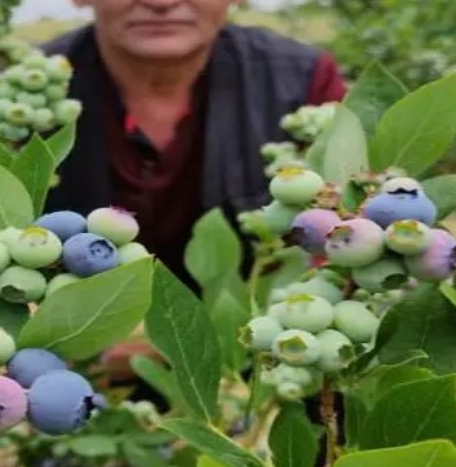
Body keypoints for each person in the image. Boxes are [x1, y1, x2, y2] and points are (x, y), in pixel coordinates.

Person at [38, 0, 347, 388]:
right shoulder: (25, 91)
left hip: (264, 369)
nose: (161, 3)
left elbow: (344, 246)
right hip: (77, 379)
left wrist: (184, 345)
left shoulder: (303, 82)